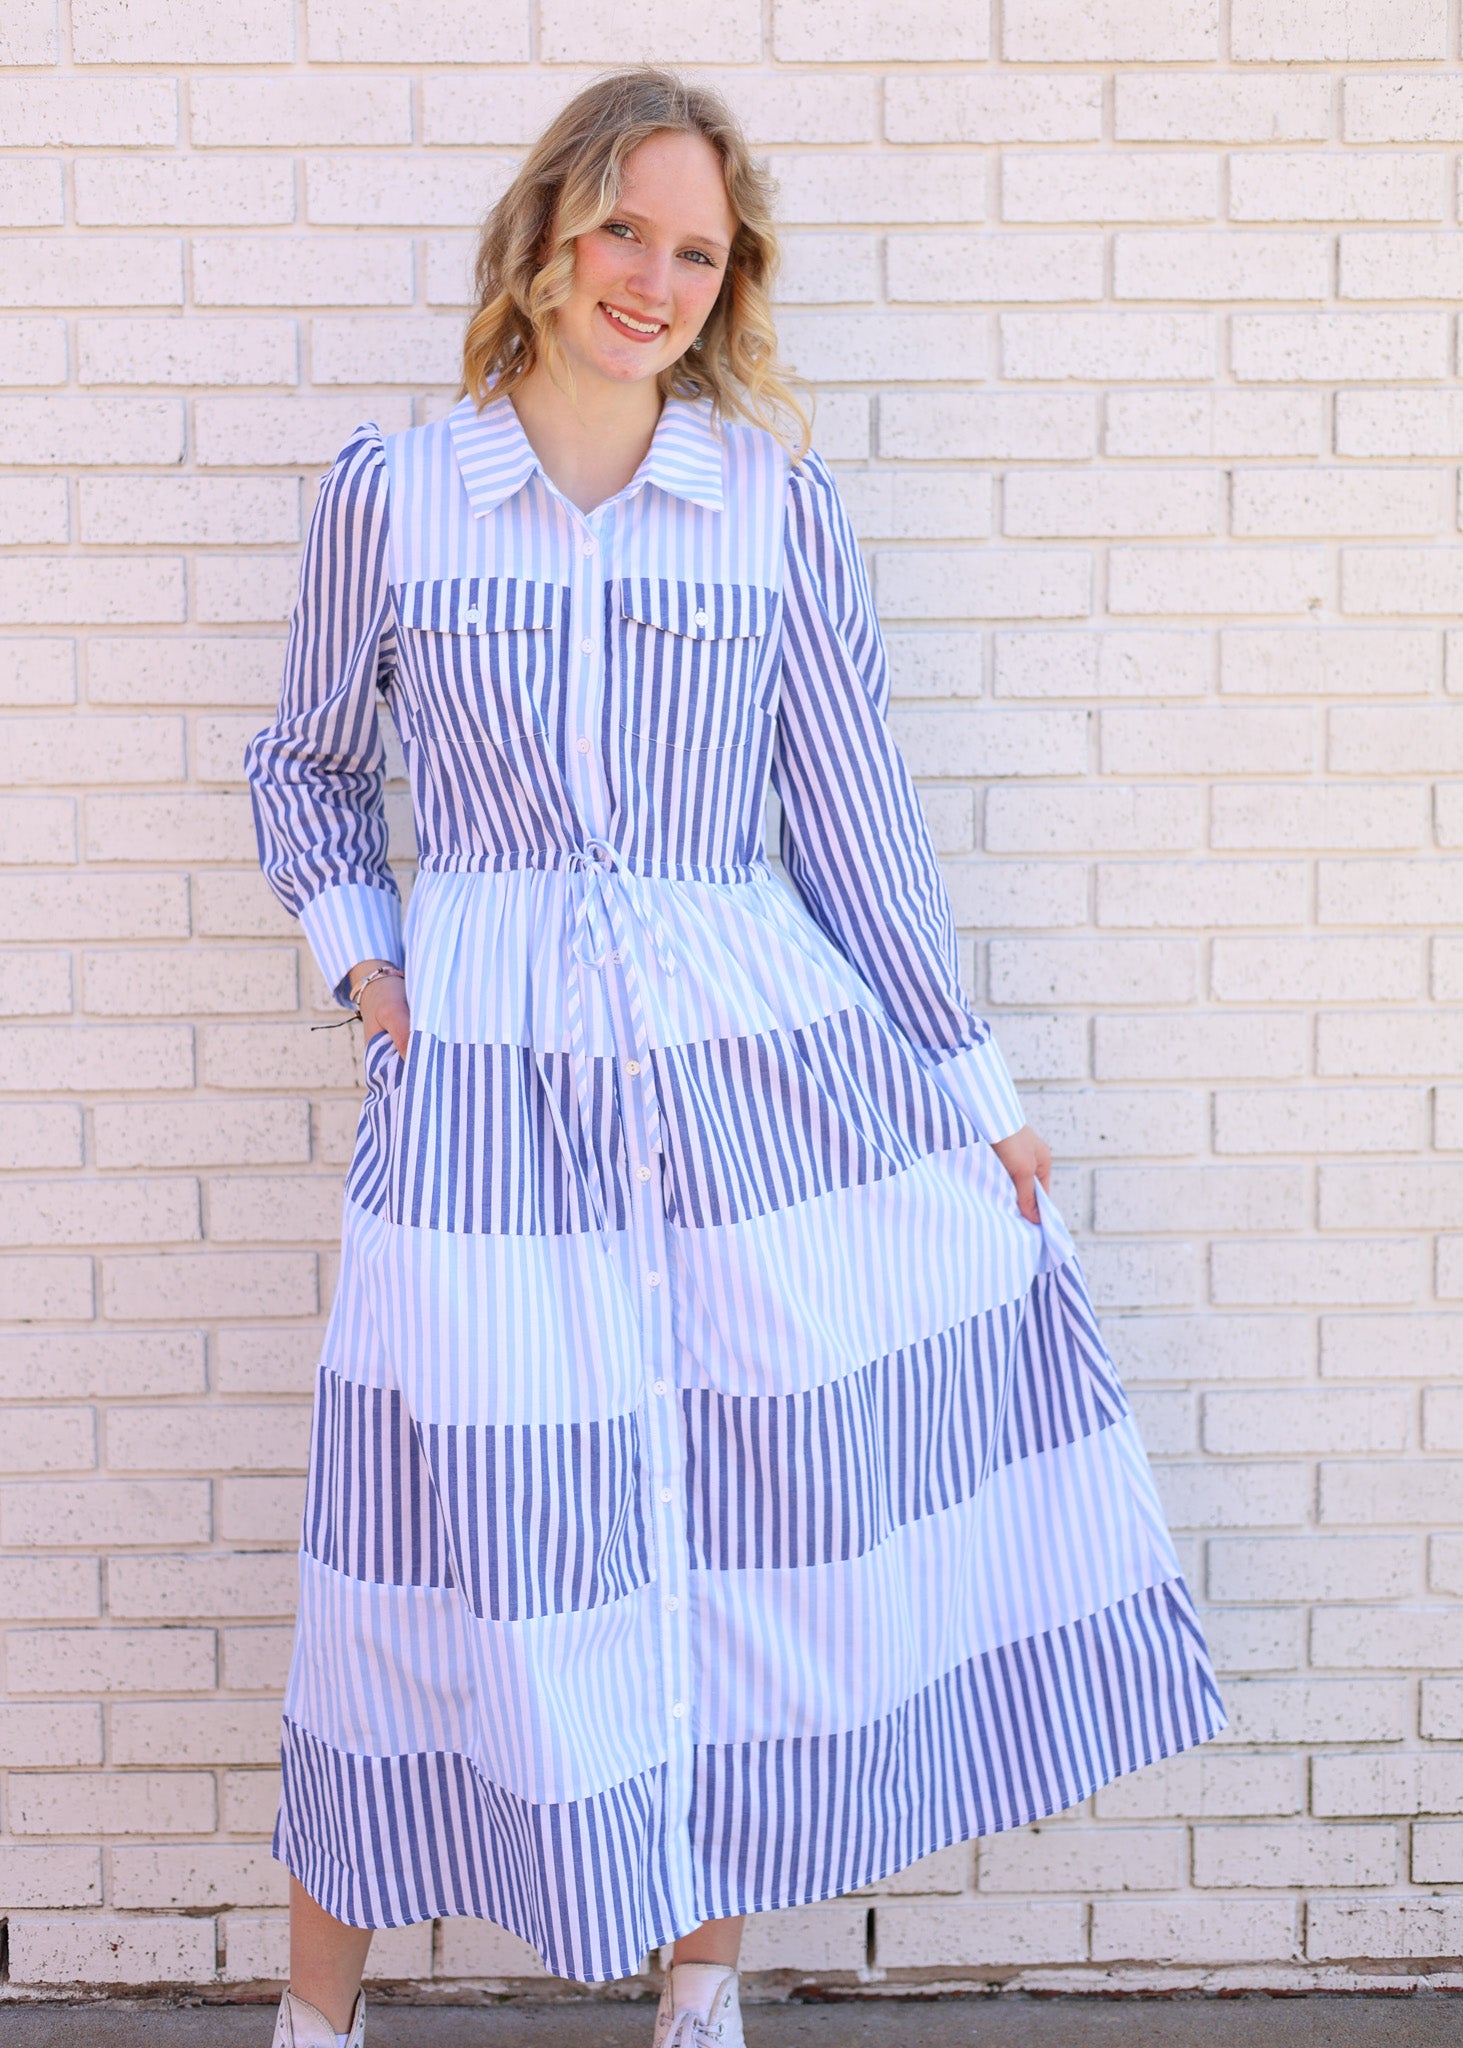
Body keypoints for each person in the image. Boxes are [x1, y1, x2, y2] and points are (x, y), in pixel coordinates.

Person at [246, 66, 1224, 2048]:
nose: (657, 279)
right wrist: (374, 973)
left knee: (744, 1512)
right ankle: (315, 2017)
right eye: (628, 230)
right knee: (426, 1523)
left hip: (753, 1067)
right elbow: (307, 766)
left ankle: (706, 1980)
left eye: (697, 251)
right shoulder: (398, 495)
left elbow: (859, 822)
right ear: (548, 233)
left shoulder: (773, 507)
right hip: (488, 1081)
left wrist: (976, 1099)